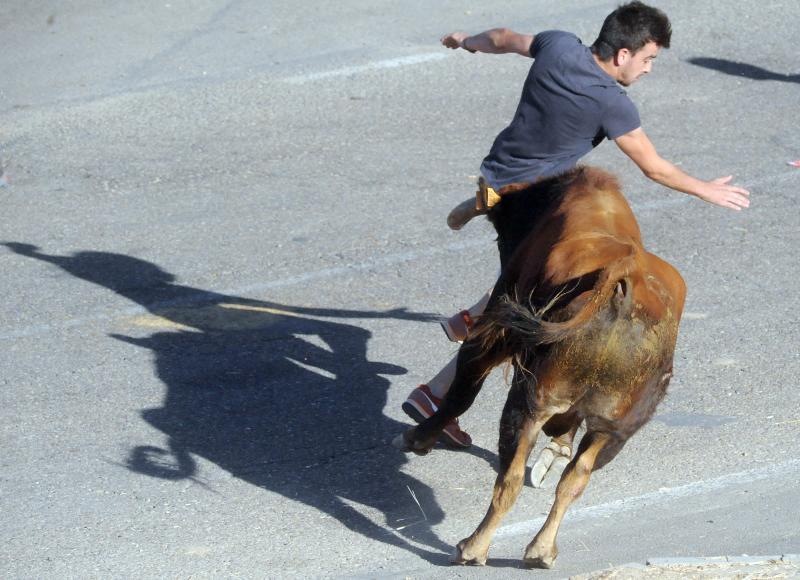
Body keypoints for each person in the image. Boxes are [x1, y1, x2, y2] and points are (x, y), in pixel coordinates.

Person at [401, 1, 750, 448]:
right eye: (648, 60)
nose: (648, 70)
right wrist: (706, 189)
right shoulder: (612, 103)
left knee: (523, 280)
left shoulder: (559, 46)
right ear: (623, 55)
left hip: (496, 181)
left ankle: (470, 312)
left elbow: (504, 37)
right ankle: (440, 387)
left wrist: (465, 41)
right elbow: (654, 168)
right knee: (524, 304)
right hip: (530, 206)